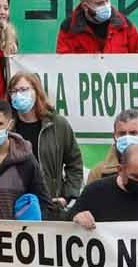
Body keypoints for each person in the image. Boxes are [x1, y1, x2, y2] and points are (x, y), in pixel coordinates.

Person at [7, 69, 82, 215]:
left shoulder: (57, 124)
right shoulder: (8, 128)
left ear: (36, 91)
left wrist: (67, 196)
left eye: (23, 89)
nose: (18, 95)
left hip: (50, 206)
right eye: (14, 91)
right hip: (16, 207)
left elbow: (75, 163)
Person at [56, 0, 138, 52]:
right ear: (85, 6)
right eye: (99, 3)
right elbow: (63, 66)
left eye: (107, 0)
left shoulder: (124, 24)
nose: (106, 6)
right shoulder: (68, 28)